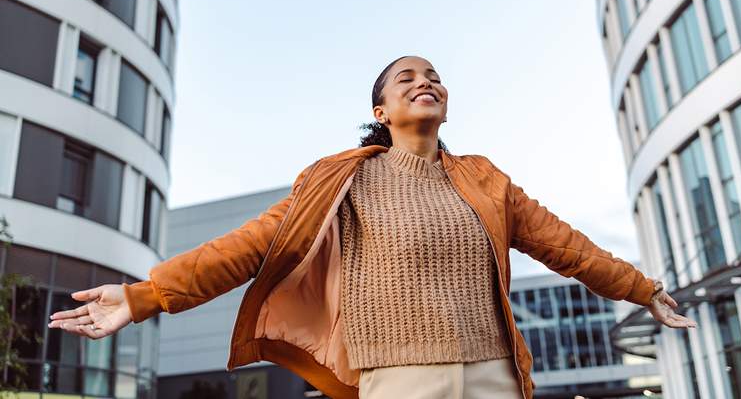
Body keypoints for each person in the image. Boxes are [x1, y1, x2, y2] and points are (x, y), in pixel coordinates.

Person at [48, 55, 697, 399]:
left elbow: (565, 246)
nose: (427, 82)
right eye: (408, 77)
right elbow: (248, 247)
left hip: (497, 374)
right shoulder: (341, 180)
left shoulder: (484, 179)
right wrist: (144, 295)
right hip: (398, 379)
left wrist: (642, 288)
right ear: (380, 109)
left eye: (435, 76)